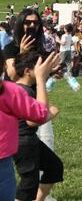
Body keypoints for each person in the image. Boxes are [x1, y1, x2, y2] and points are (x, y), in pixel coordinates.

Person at [0, 49, 59, 201]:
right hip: (23, 142)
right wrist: (51, 113)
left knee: (53, 167)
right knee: (29, 182)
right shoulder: (16, 91)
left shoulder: (13, 87)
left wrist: (47, 73)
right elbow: (34, 119)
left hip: (20, 144)